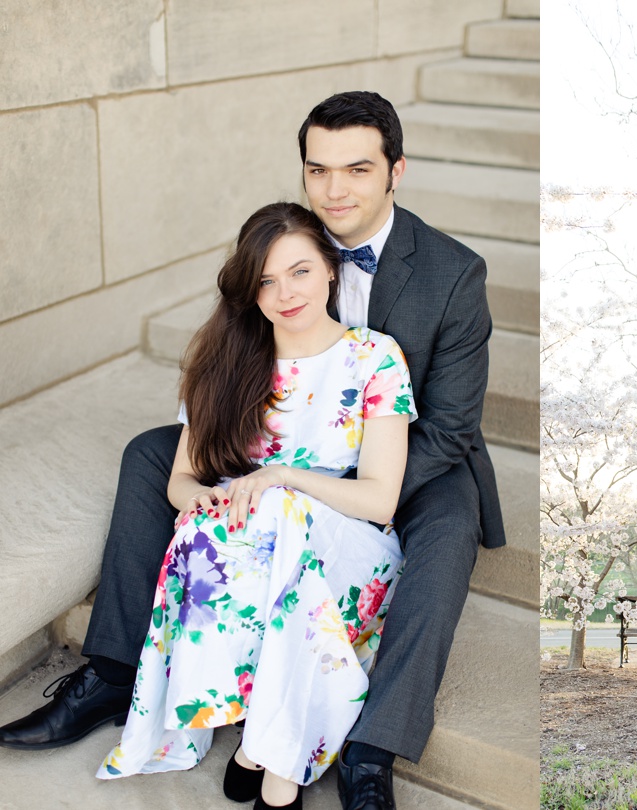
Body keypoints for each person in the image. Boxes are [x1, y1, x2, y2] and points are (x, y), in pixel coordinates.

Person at [0, 91, 505, 810]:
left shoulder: (453, 273)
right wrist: (255, 473)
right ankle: (115, 669)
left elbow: (450, 426)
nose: (336, 189)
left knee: (449, 530)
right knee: (150, 453)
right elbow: (232, 379)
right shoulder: (288, 248)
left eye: (357, 169)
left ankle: (370, 747)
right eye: (318, 170)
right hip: (288, 444)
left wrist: (321, 485)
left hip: (407, 455)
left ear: (397, 171)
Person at [96, 202, 416, 809]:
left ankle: (270, 761)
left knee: (280, 511)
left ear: (330, 269)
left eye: (298, 271)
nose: (283, 293)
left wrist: (278, 477)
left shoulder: (375, 357)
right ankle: (273, 757)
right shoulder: (224, 360)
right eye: (265, 280)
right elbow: (182, 482)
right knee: (227, 526)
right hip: (253, 542)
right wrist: (211, 503)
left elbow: (379, 499)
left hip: (346, 542)